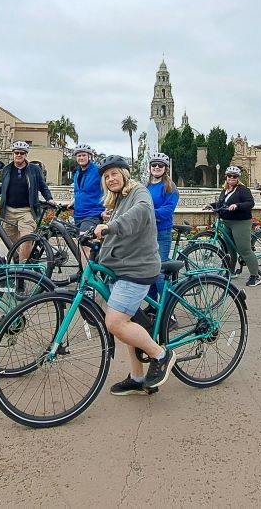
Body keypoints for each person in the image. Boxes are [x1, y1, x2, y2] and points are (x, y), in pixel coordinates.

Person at [92, 155, 177, 396]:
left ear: (125, 174)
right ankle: (138, 377)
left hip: (138, 267)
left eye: (114, 174)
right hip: (121, 267)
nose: (110, 179)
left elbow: (140, 213)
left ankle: (161, 355)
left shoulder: (139, 191)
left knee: (116, 322)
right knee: (127, 322)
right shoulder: (117, 200)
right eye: (106, 177)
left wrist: (111, 226)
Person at [0, 140, 56, 249]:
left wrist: (49, 198)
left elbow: (42, 186)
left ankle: (23, 265)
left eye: (22, 153)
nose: (19, 155)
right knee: (11, 242)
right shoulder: (6, 169)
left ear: (26, 155)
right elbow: (3, 186)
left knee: (26, 239)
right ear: (13, 154)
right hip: (8, 211)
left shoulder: (34, 169)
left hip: (26, 211)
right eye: (16, 153)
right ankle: (20, 259)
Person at [208, 166, 261, 287]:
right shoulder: (225, 190)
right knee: (230, 249)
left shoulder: (243, 190)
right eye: (229, 176)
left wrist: (237, 205)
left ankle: (255, 276)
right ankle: (231, 272)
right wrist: (210, 205)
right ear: (226, 177)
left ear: (238, 178)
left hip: (240, 222)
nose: (232, 178)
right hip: (227, 222)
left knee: (244, 249)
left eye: (234, 176)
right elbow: (221, 203)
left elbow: (250, 203)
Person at [146, 152, 179, 301]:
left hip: (162, 233)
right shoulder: (145, 185)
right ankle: (153, 306)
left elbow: (167, 210)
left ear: (166, 168)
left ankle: (168, 310)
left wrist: (148, 213)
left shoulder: (169, 186)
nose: (157, 167)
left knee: (159, 273)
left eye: (160, 165)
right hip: (147, 233)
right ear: (150, 167)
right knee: (147, 273)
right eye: (154, 165)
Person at [71, 143, 104, 263]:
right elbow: (79, 192)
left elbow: (107, 189)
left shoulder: (98, 171)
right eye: (79, 155)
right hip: (78, 215)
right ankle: (86, 271)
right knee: (84, 246)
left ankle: (85, 280)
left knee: (84, 245)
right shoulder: (78, 173)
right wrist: (73, 202)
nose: (81, 158)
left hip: (92, 214)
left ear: (89, 156)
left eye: (84, 155)